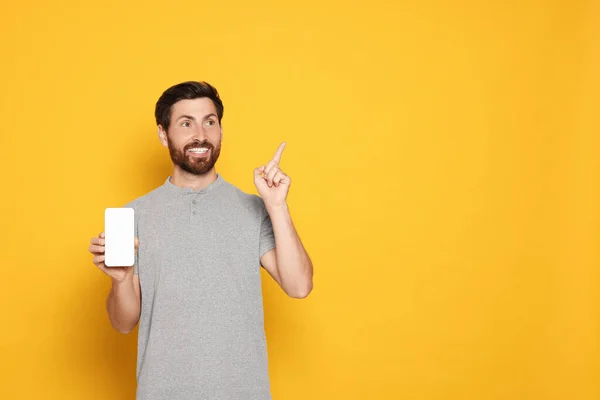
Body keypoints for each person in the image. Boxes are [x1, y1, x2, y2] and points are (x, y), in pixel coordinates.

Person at [88, 81, 314, 399]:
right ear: (163, 134)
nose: (201, 135)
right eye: (186, 123)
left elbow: (299, 286)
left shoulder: (254, 208)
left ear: (220, 130)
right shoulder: (135, 214)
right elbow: (123, 323)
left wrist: (277, 206)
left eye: (210, 121)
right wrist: (121, 279)